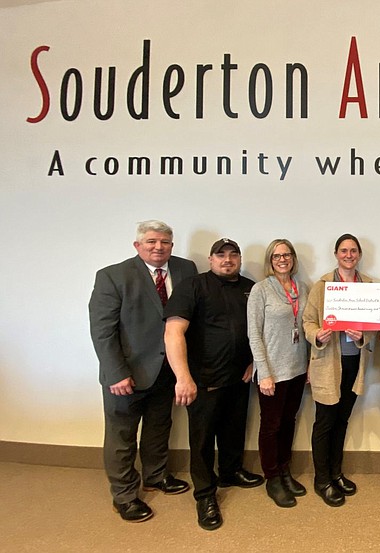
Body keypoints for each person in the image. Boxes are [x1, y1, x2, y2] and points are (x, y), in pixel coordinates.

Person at [89, 220, 197, 522]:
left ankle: (156, 475)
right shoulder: (113, 276)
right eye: (151, 242)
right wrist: (115, 373)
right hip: (127, 374)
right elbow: (102, 331)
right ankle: (124, 495)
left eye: (164, 242)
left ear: (172, 246)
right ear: (138, 246)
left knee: (159, 427)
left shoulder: (186, 269)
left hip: (167, 370)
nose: (158, 247)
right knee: (122, 436)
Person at [164, 238, 264, 531]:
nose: (228, 260)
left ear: (240, 259)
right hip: (203, 380)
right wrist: (183, 377)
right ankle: (205, 495)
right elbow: (173, 332)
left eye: (234, 255)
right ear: (210, 259)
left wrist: (253, 362)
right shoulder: (193, 286)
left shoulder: (250, 287)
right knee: (203, 441)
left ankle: (231, 472)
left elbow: (259, 329)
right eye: (221, 255)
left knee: (234, 430)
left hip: (239, 377)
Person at [302, 233, 374, 507]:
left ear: (359, 255)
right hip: (327, 364)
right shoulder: (322, 286)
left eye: (353, 250)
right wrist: (317, 335)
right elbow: (308, 321)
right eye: (343, 250)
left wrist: (361, 337)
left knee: (342, 419)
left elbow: (375, 329)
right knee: (325, 422)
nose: (348, 255)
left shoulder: (368, 285)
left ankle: (336, 472)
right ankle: (322, 480)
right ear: (336, 254)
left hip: (354, 362)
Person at [247, 239, 309, 508]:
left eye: (287, 254)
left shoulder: (302, 288)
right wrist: (264, 372)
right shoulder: (260, 290)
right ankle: (272, 477)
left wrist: (308, 366)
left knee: (289, 421)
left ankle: (285, 470)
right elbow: (254, 333)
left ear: (293, 258)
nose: (282, 259)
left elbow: (306, 326)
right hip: (272, 371)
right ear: (270, 261)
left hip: (297, 368)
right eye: (276, 255)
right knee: (271, 426)